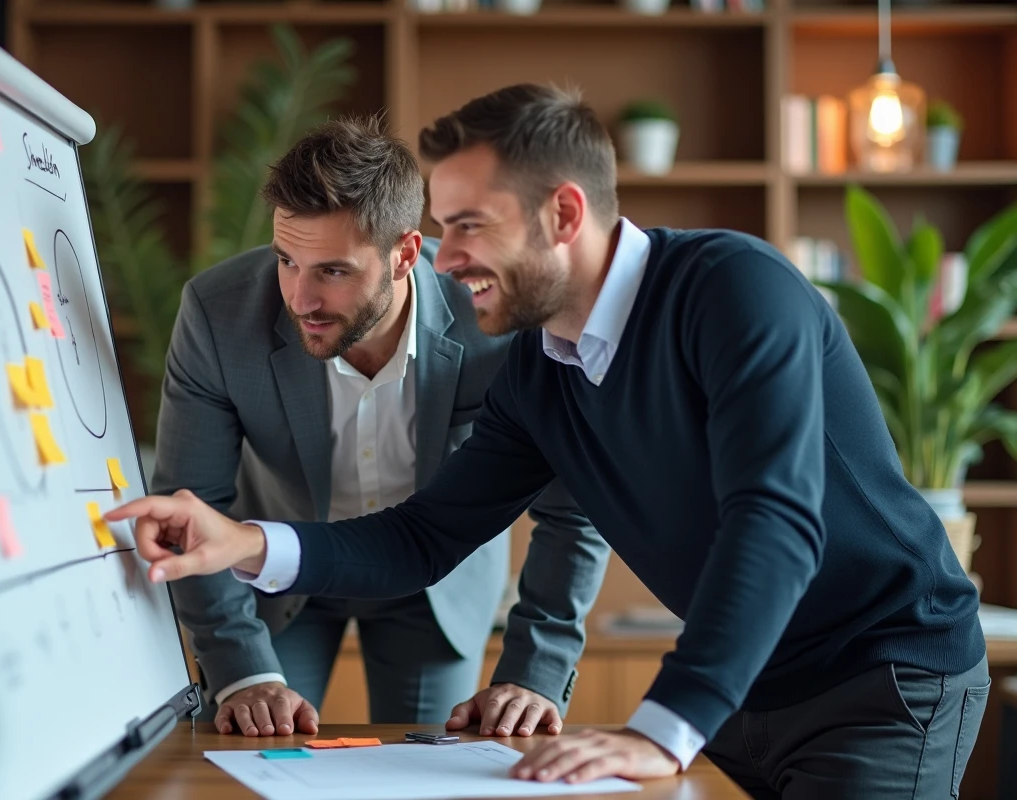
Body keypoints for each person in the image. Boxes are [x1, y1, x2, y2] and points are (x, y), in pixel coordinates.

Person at [110, 84, 990, 798]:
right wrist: (248, 543)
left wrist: (663, 726)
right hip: (746, 687)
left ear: (563, 214)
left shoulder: (733, 289)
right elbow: (424, 535)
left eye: (469, 225)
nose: (446, 259)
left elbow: (775, 520)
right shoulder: (541, 368)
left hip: (880, 677)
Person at [149, 114, 610, 740]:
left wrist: (537, 670)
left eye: (333, 271)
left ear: (406, 255)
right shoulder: (217, 314)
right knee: (254, 751)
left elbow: (572, 510)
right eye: (287, 260)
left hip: (433, 583)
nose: (300, 298)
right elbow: (191, 508)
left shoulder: (498, 323)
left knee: (426, 767)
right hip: (276, 575)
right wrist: (240, 672)